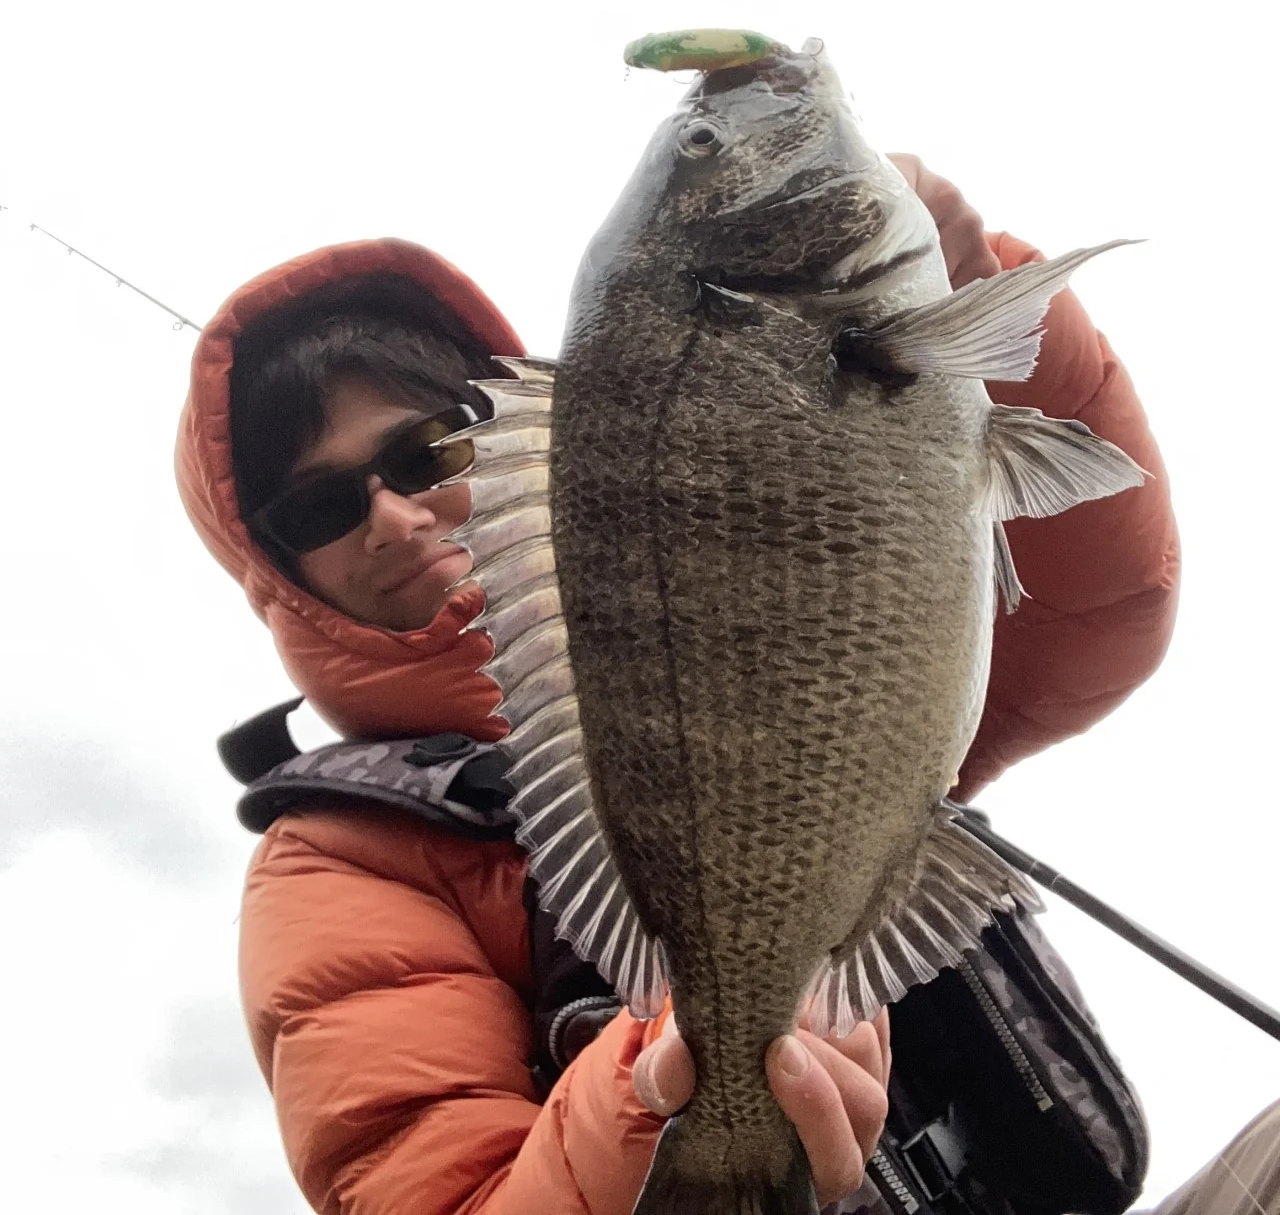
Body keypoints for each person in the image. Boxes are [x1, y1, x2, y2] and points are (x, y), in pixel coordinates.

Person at [177, 160, 1184, 1214]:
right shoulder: (332, 862)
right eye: (318, 509)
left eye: (429, 449)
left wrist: (986, 317)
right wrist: (674, 1090)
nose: (392, 516)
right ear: (276, 573)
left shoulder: (793, 599)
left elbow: (1101, 614)